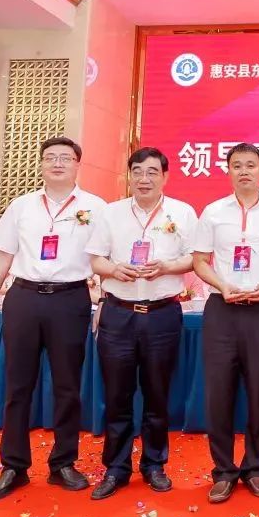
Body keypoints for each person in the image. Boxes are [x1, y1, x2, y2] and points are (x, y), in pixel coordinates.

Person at [0, 137, 107, 501]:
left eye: (66, 157)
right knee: (18, 385)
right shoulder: (21, 206)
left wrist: (104, 301)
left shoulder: (96, 207)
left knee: (67, 386)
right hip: (24, 297)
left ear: (78, 164)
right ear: (41, 164)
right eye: (50, 157)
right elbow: (2, 256)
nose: (58, 163)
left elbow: (105, 259)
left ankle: (63, 463)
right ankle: (13, 466)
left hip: (70, 299)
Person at [85, 147, 198, 499]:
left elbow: (195, 258)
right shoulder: (111, 212)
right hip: (118, 313)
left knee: (157, 393)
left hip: (162, 313)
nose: (144, 179)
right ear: (129, 176)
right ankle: (116, 468)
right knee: (116, 394)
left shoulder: (183, 212)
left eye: (151, 172)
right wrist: (114, 269)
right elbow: (96, 260)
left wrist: (166, 267)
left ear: (165, 176)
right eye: (137, 171)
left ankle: (154, 464)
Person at [192, 142, 259, 503]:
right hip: (222, 310)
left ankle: (255, 469)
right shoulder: (213, 212)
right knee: (218, 394)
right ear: (228, 171)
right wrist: (222, 285)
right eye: (236, 165)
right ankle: (223, 471)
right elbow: (200, 260)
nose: (244, 171)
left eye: (250, 165)